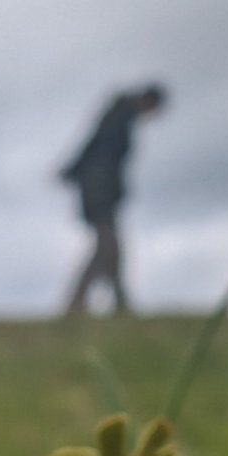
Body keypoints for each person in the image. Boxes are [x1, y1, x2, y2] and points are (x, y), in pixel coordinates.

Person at [58, 83, 167, 315]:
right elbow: (97, 150)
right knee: (109, 247)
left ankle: (111, 303)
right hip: (99, 192)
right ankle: (86, 303)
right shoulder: (119, 117)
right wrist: (79, 174)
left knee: (109, 249)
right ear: (150, 102)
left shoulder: (123, 117)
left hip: (101, 191)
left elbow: (95, 148)